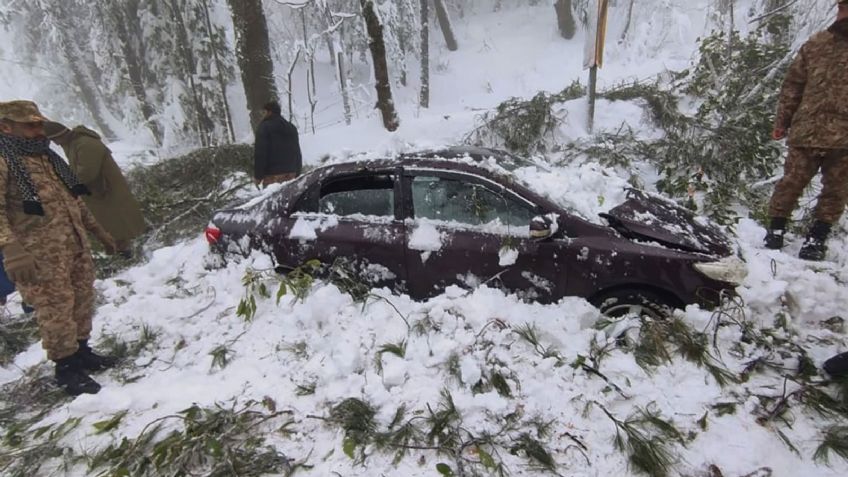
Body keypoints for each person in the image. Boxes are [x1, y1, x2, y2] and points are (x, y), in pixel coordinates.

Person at [0, 100, 118, 396]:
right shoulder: (4, 159)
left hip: (73, 243)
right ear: (6, 127)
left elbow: (73, 200)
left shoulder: (45, 157)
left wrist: (98, 231)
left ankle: (81, 351)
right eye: (30, 125)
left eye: (40, 123)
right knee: (56, 309)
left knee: (81, 297)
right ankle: (66, 368)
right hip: (38, 254)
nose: (39, 130)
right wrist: (11, 249)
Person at [764, 0, 848, 261]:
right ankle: (775, 232)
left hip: (845, 138)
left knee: (836, 191)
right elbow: (793, 85)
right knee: (790, 183)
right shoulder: (816, 44)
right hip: (807, 131)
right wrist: (782, 122)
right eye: (843, 7)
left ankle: (816, 239)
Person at [43, 121, 146, 258]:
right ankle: (124, 249)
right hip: (98, 192)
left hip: (106, 189)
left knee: (120, 219)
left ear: (59, 135)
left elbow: (87, 173)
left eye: (54, 139)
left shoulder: (85, 144)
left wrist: (66, 183)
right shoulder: (72, 144)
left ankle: (137, 247)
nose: (55, 143)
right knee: (111, 222)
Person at [253, 100, 302, 188]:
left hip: (272, 176)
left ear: (269, 112)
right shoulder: (291, 127)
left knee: (275, 200)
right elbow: (297, 151)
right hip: (291, 174)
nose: (262, 115)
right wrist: (297, 172)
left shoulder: (264, 127)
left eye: (263, 112)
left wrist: (258, 176)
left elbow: (260, 153)